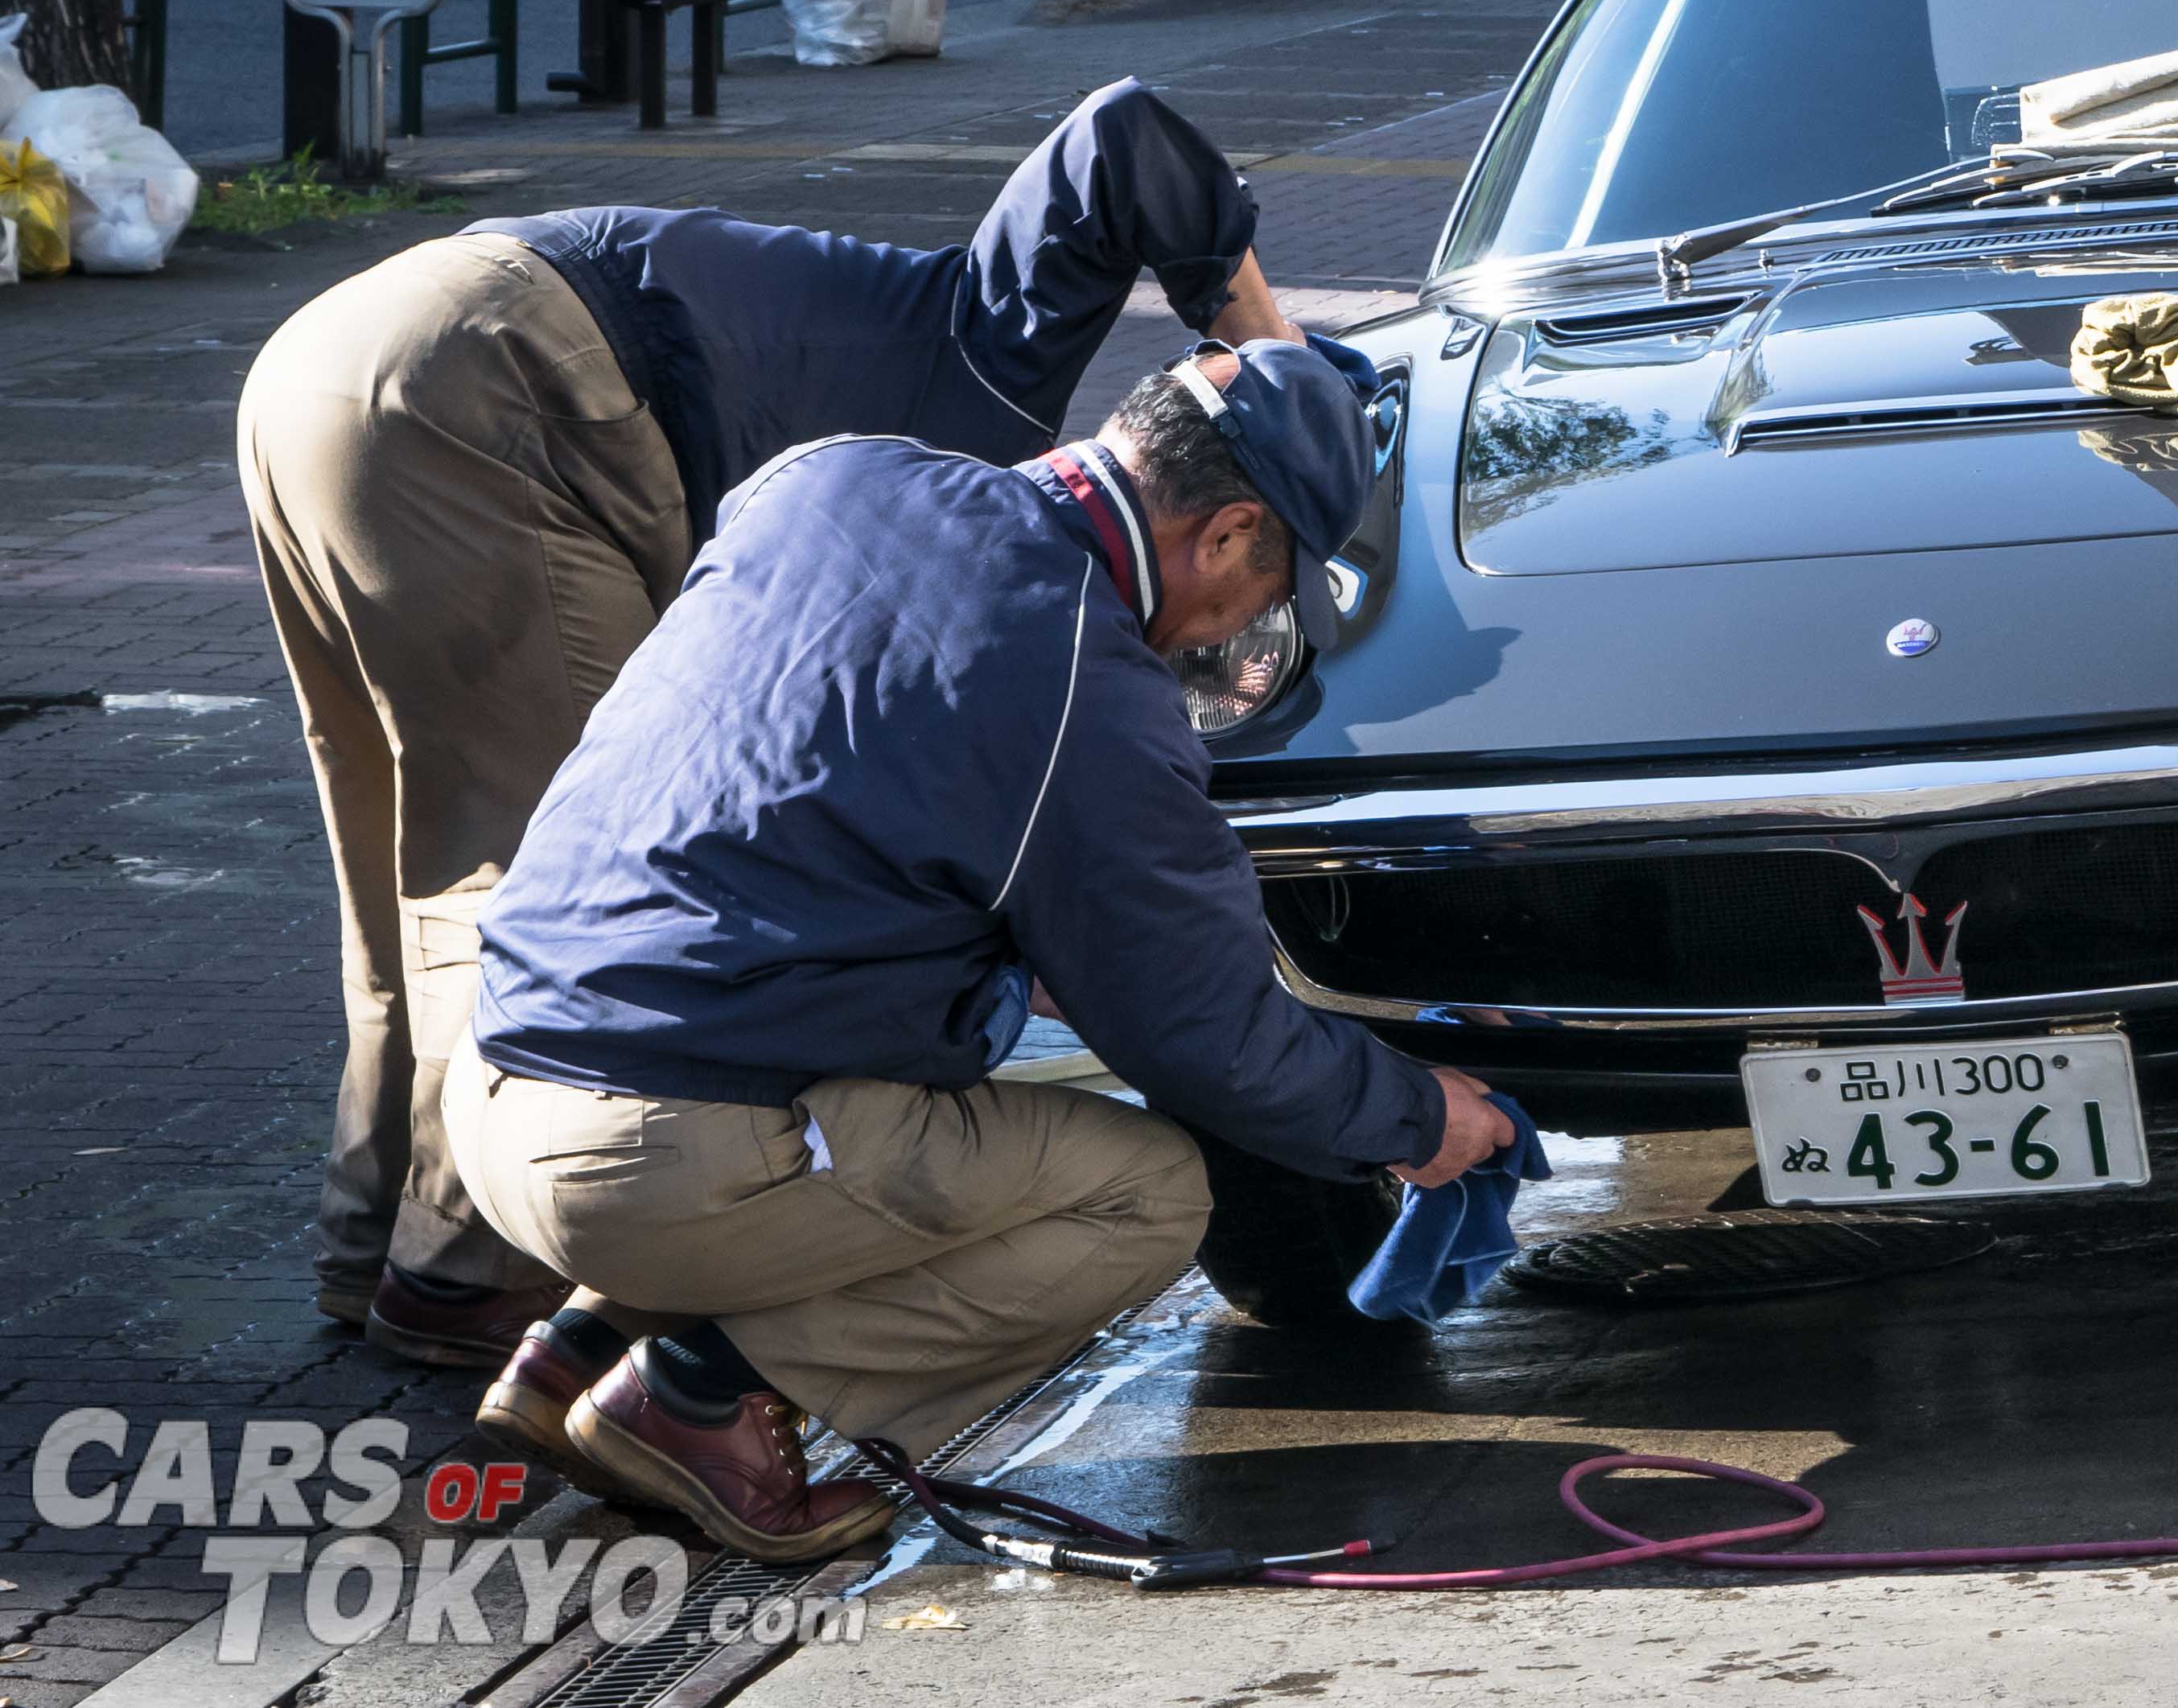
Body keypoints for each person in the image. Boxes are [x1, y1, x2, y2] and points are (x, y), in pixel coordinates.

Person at [236, 79, 1298, 1368]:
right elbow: (1124, 129)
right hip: (497, 395)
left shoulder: (963, 340)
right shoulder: (990, 395)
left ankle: (367, 1247)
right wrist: (1269, 346)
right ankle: (463, 1276)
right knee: (530, 870)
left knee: (396, 860)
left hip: (334, 352)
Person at [445, 340, 1519, 1560]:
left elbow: (815, 800)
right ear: (1224, 536)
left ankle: (574, 1346)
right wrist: (1413, 1113)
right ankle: (698, 1395)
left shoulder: (831, 476)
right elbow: (1210, 1041)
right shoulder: (1088, 688)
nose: (1249, 623)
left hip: (490, 1084)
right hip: (650, 1160)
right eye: (1272, 589)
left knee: (814, 1047)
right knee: (1147, 1193)